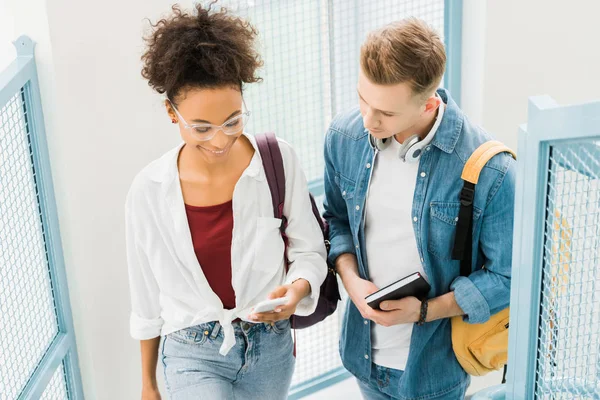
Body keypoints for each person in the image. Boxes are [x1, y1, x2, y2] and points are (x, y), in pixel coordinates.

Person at [126, 3, 327, 399]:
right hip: (192, 351)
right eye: (200, 127)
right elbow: (145, 298)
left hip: (270, 346)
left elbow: (310, 251)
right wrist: (148, 384)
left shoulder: (277, 161)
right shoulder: (148, 190)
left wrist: (299, 288)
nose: (219, 140)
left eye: (233, 120)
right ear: (172, 113)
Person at [323, 18, 516, 399]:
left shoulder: (493, 172)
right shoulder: (344, 136)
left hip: (434, 373)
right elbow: (337, 221)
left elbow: (507, 278)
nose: (368, 120)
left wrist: (423, 312)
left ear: (429, 102)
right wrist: (351, 281)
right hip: (363, 358)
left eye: (387, 113)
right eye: (363, 98)